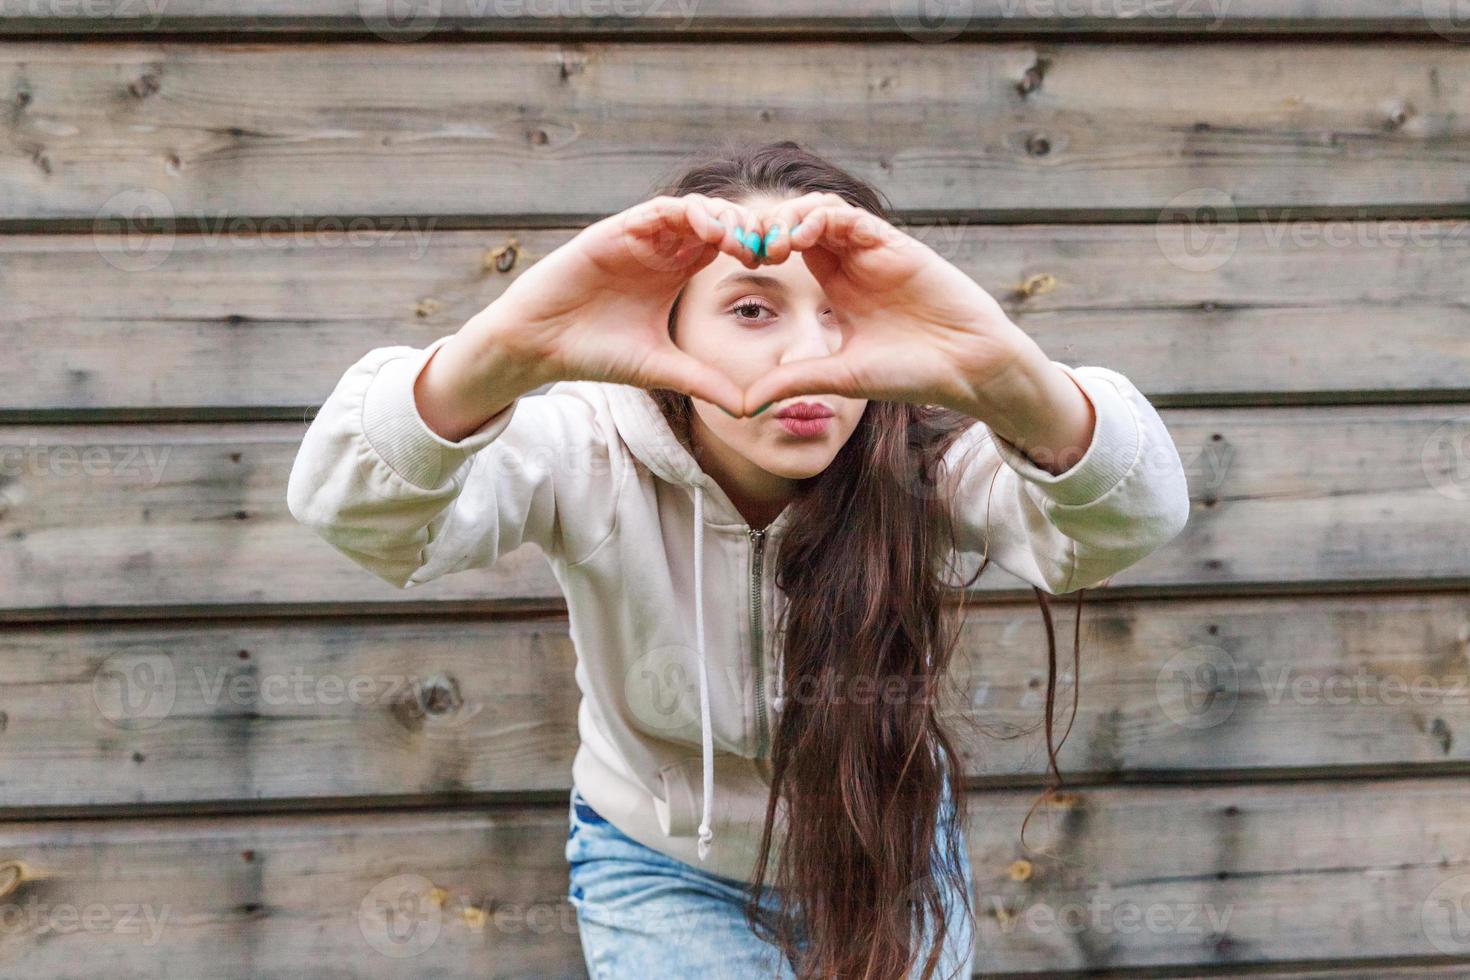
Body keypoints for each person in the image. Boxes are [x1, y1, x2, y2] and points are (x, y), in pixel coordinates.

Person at [287, 139, 1191, 979]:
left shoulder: (923, 460)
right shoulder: (584, 448)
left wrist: (1003, 373)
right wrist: (506, 348)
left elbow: (1132, 515)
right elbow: (357, 512)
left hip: (887, 846)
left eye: (840, 315)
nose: (808, 352)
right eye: (753, 309)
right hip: (660, 864)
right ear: (669, 326)